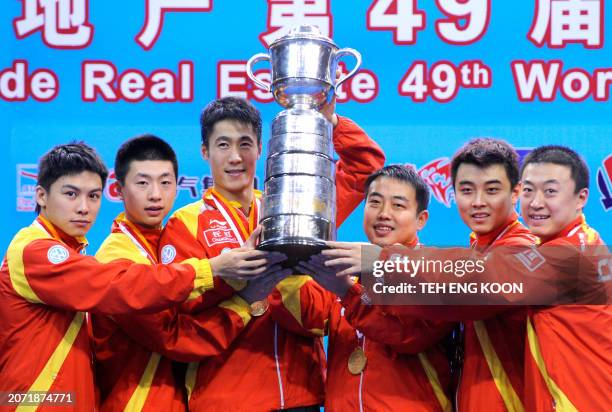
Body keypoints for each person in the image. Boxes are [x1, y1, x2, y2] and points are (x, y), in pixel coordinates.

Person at [156, 96, 385, 410]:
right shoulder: (186, 224)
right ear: (205, 151)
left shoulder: (295, 208)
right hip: (227, 399)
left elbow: (364, 170)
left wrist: (330, 122)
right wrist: (240, 284)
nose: (235, 157)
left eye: (245, 144)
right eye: (223, 145)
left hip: (301, 396)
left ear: (261, 149)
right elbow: (181, 305)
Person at [0, 142, 225, 411]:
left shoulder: (75, 254)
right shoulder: (33, 251)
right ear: (41, 195)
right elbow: (119, 286)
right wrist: (209, 270)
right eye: (71, 194)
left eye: (93, 196)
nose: (84, 207)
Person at [319, 138, 538, 411]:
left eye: (492, 189)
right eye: (466, 190)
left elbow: (414, 335)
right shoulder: (472, 254)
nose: (478, 202)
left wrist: (376, 266)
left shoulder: (524, 250)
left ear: (516, 193)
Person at [92, 135, 286, 411]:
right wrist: (243, 302)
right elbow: (174, 337)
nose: (156, 194)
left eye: (165, 182)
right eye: (143, 183)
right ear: (118, 190)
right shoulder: (116, 257)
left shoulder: (169, 241)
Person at [296, 165, 453, 411]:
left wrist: (348, 294)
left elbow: (410, 337)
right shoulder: (346, 269)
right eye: (375, 203)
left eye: (398, 206)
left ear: (421, 219)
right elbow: (306, 319)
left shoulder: (433, 270)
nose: (383, 214)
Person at [519, 145, 610, 411]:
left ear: (581, 198)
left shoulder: (567, 256)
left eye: (550, 191)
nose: (536, 203)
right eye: (527, 190)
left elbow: (479, 286)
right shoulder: (583, 240)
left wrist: (396, 262)